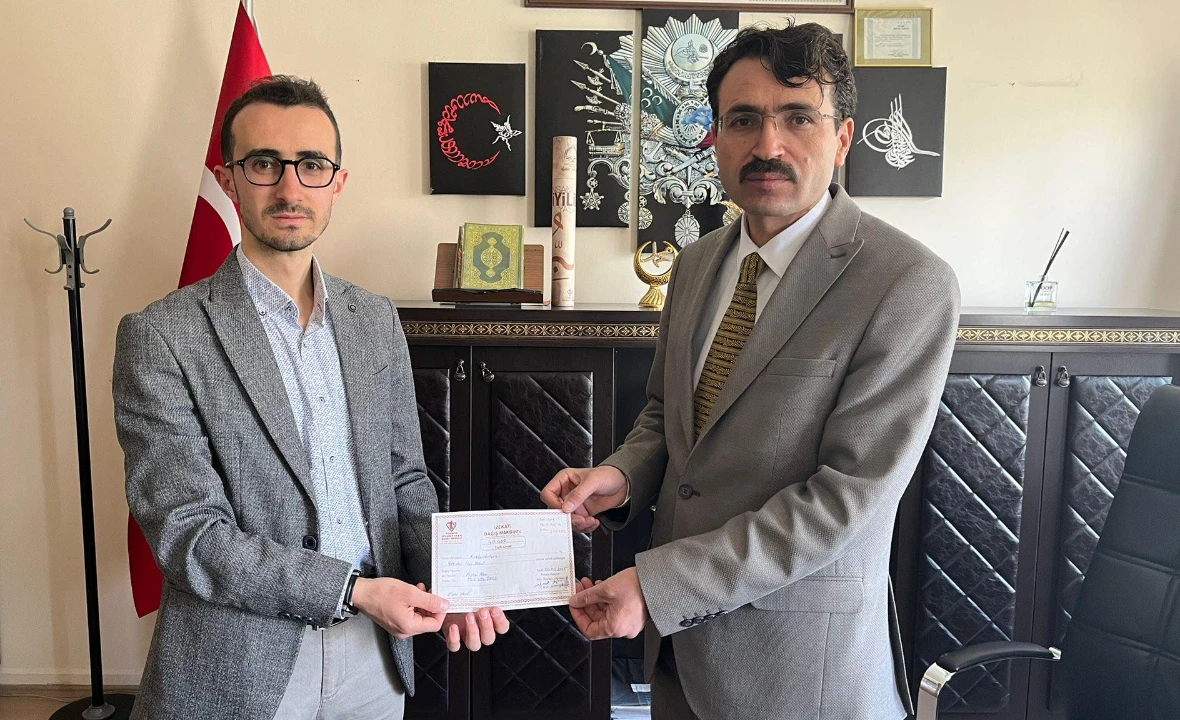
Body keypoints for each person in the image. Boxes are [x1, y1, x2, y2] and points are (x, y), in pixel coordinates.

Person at [541, 23, 960, 720]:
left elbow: (845, 500)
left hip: (799, 676)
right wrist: (619, 477)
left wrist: (658, 586)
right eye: (743, 120)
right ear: (714, 138)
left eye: (798, 117)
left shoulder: (908, 283)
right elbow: (667, 417)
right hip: (678, 664)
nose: (768, 145)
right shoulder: (697, 262)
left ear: (843, 137)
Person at [113, 75, 508, 720]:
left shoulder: (373, 319)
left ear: (337, 183)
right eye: (264, 163)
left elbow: (405, 480)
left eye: (312, 165)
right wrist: (351, 590)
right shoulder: (161, 337)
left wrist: (452, 580)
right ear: (229, 179)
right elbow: (189, 534)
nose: (290, 188)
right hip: (238, 662)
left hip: (375, 656)